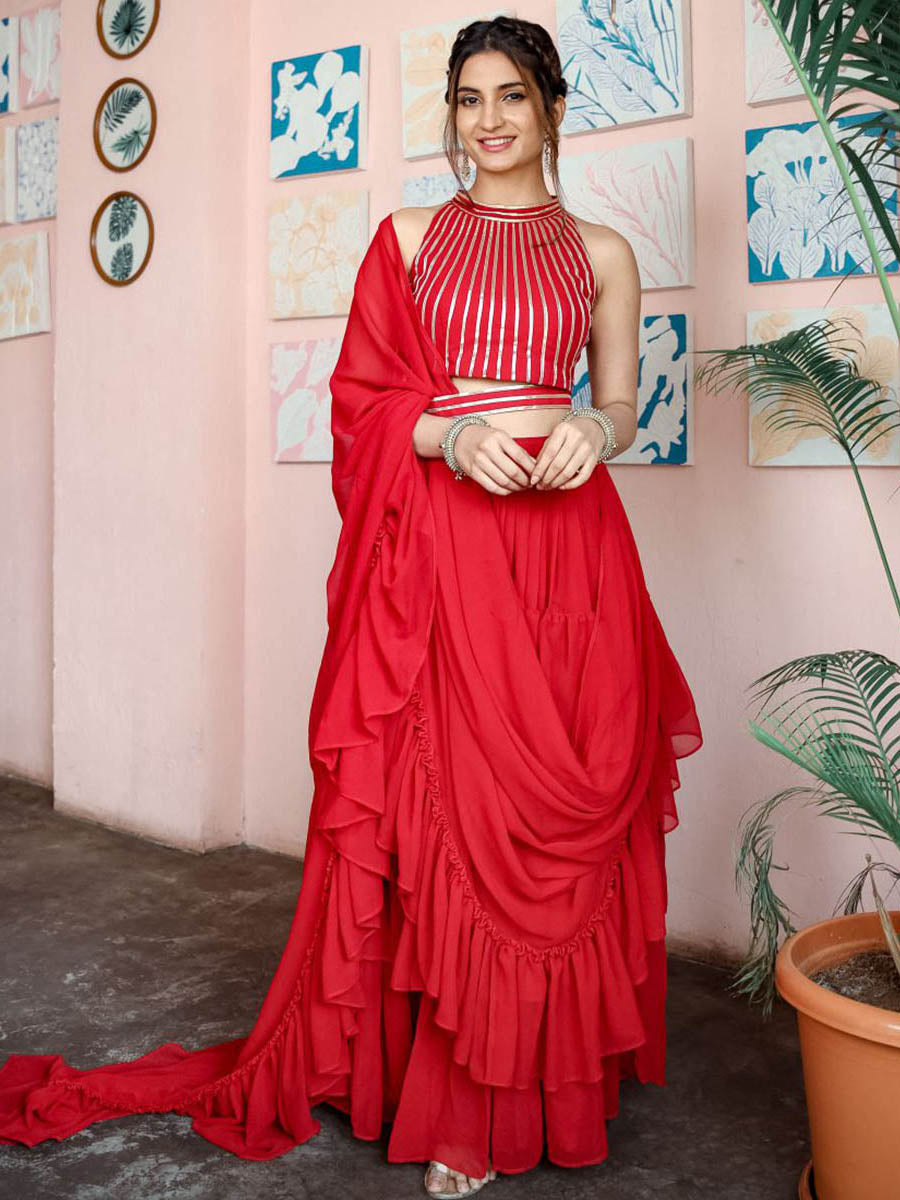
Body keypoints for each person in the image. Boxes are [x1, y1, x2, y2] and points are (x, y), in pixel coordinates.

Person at [0, 15, 702, 1200]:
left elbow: (625, 405)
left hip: (574, 558)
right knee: (460, 828)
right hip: (449, 560)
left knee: (564, 823)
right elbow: (361, 401)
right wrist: (451, 432)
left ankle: (541, 1080)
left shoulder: (604, 252)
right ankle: (459, 1109)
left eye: (511, 98)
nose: (487, 121)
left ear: (554, 110)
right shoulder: (410, 241)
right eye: (468, 98)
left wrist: (592, 424)